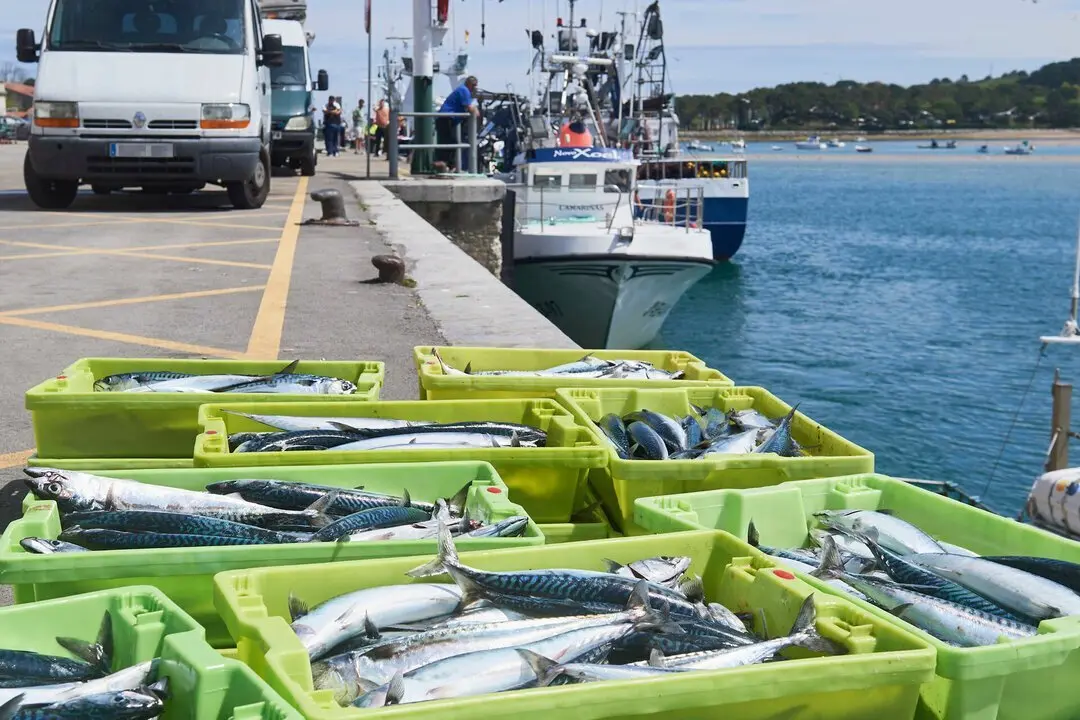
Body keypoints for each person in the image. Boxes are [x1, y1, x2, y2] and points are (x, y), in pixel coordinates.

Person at [436, 75, 479, 171]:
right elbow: (470, 108)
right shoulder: (464, 90)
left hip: (449, 119)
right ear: (469, 84)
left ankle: (449, 165)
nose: (475, 88)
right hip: (446, 118)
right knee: (449, 142)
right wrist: (476, 112)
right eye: (474, 85)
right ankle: (444, 164)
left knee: (452, 142)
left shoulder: (464, 91)